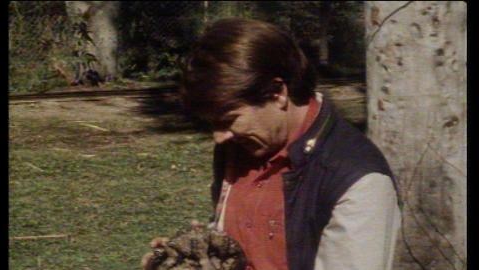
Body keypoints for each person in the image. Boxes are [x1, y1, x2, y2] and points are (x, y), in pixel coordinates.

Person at [147, 18, 401, 270]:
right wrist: (191, 256)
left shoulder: (359, 181)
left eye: (228, 120)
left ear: (277, 92)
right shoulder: (239, 147)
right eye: (212, 124)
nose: (219, 137)